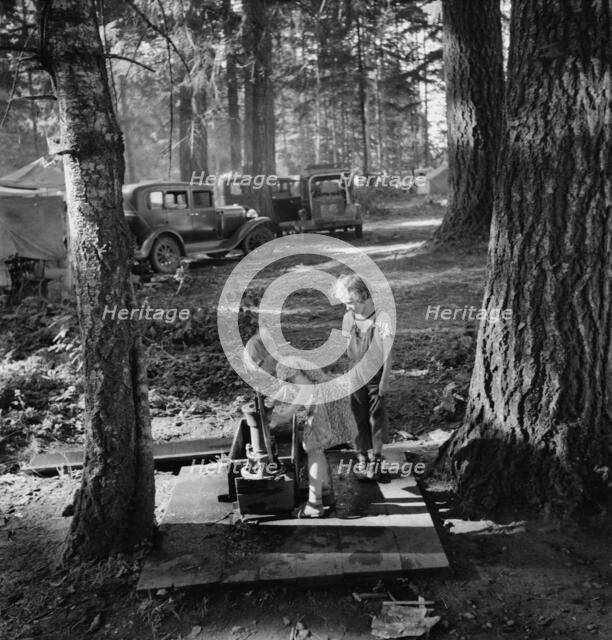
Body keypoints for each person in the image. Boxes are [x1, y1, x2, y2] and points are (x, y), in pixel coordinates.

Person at [244, 331, 357, 518]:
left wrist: (287, 415)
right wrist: (273, 404)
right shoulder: (284, 364)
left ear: (266, 358)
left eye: (259, 369)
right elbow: (291, 389)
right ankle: (325, 491)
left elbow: (306, 390)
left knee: (313, 449)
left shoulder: (286, 366)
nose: (263, 375)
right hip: (326, 400)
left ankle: (315, 504)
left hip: (324, 403)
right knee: (316, 449)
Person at [336, 274, 393, 481]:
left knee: (376, 418)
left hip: (375, 377)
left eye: (350, 303)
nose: (347, 307)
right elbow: (347, 350)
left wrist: (385, 380)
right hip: (354, 375)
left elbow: (388, 353)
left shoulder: (382, 318)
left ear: (362, 295)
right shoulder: (348, 318)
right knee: (355, 417)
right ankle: (362, 458)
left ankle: (376, 458)